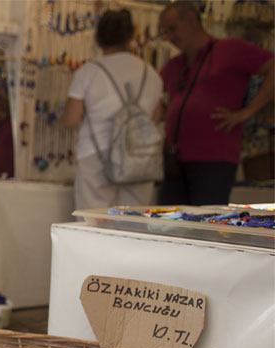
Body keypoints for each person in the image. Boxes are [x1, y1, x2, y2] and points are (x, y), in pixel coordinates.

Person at [158, 0, 274, 205]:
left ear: (192, 19)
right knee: (165, 224)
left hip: (213, 159)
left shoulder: (230, 49)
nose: (169, 37)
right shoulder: (176, 64)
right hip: (174, 160)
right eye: (165, 32)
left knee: (205, 223)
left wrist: (247, 112)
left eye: (172, 28)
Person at [63, 9, 163, 210]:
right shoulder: (151, 74)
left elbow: (71, 119)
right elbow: (156, 115)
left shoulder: (88, 73)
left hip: (96, 153)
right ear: (130, 37)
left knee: (92, 221)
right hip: (139, 155)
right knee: (134, 222)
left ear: (99, 39)